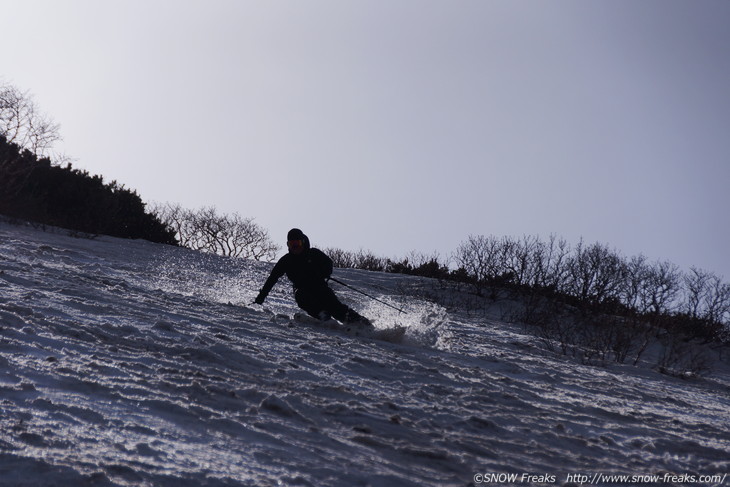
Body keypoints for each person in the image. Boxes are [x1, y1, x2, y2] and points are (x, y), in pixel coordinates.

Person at [254, 228, 372, 326]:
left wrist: (323, 273)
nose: (295, 247)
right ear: (288, 245)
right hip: (302, 290)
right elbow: (272, 279)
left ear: (303, 242)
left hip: (319, 287)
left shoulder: (313, 253)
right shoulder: (286, 261)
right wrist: (260, 298)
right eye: (292, 244)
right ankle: (322, 315)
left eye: (297, 243)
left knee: (336, 308)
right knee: (301, 297)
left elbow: (328, 264)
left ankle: (363, 325)